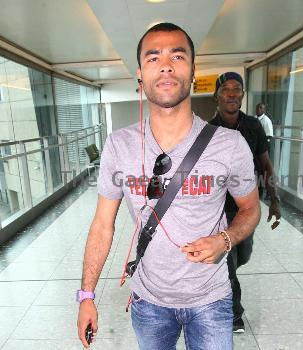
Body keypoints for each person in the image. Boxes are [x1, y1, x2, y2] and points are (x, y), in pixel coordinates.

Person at [77, 23, 261, 350]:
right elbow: (102, 225)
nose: (165, 64)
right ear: (140, 75)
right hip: (148, 302)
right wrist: (86, 296)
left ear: (192, 71)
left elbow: (250, 209)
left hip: (212, 300)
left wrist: (225, 239)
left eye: (177, 55)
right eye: (153, 58)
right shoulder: (118, 145)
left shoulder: (230, 144)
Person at [210, 72, 281, 333]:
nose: (231, 93)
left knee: (243, 255)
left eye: (236, 89)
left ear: (242, 94)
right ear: (216, 95)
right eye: (225, 89)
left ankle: (222, 278)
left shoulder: (253, 126)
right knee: (228, 262)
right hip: (219, 207)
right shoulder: (209, 130)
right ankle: (234, 315)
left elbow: (265, 164)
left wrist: (274, 200)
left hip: (247, 206)